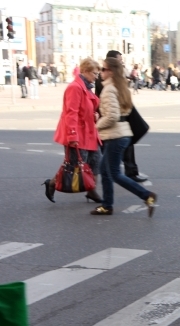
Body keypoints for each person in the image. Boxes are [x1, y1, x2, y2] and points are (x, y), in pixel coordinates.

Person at [91, 57, 157, 217]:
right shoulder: (120, 87)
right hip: (120, 134)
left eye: (103, 69)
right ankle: (107, 205)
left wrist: (95, 126)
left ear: (111, 71)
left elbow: (112, 116)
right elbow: (125, 112)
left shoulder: (109, 90)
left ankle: (146, 195)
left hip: (116, 135)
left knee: (114, 174)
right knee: (104, 170)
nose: (101, 72)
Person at [42, 57, 102, 204]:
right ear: (86, 71)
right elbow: (71, 113)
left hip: (89, 132)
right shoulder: (75, 87)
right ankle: (52, 184)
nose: (97, 77)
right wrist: (72, 135)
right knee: (74, 165)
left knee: (95, 162)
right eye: (94, 73)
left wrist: (95, 115)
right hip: (78, 133)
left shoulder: (86, 86)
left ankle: (91, 190)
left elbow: (88, 108)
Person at [96, 50, 146, 183]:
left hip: (117, 125)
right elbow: (106, 105)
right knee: (109, 168)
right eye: (119, 59)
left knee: (110, 169)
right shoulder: (106, 83)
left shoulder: (118, 81)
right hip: (113, 124)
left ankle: (131, 175)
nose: (121, 61)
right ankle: (141, 190)